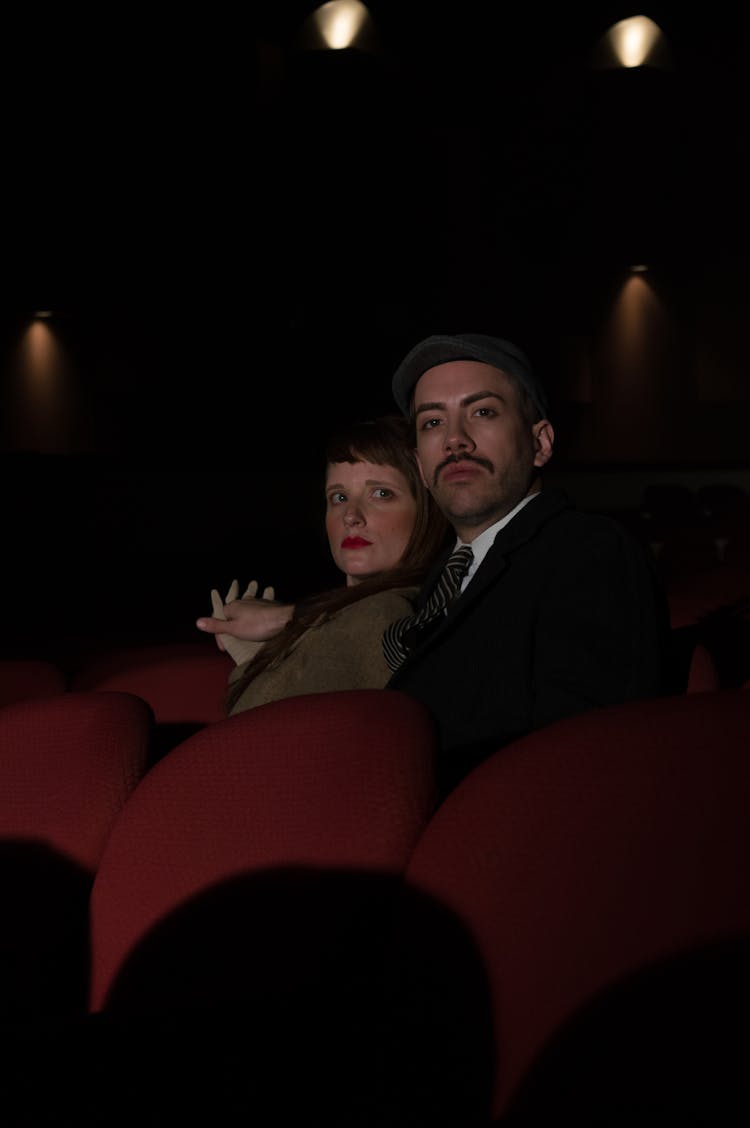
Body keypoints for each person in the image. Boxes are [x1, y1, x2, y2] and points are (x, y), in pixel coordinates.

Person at [383, 331, 672, 797]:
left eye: (483, 412)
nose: (455, 440)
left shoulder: (590, 553)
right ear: (419, 465)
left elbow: (588, 762)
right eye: (432, 423)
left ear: (540, 442)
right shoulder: (446, 573)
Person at [196, 414, 451, 715]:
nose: (351, 515)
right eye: (339, 497)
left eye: (381, 494)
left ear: (426, 511)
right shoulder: (350, 619)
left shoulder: (381, 614)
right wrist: (263, 660)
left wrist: (265, 660)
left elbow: (266, 742)